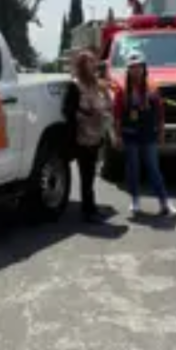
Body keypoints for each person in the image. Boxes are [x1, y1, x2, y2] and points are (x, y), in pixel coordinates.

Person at [114, 53, 176, 219]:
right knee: (133, 168)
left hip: (148, 134)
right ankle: (135, 200)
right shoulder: (122, 89)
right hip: (130, 134)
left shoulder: (152, 87)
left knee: (153, 168)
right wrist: (117, 135)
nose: (136, 70)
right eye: (132, 67)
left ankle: (164, 202)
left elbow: (160, 112)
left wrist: (161, 131)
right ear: (128, 70)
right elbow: (117, 114)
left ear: (144, 69)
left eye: (139, 67)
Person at [63, 50, 112, 223]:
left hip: (96, 134)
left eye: (94, 62)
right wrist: (86, 113)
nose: (93, 65)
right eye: (89, 62)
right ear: (82, 65)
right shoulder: (75, 85)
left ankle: (91, 208)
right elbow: (68, 110)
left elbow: (107, 105)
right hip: (82, 136)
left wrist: (105, 93)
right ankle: (88, 211)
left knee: (91, 174)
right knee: (86, 174)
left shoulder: (95, 84)